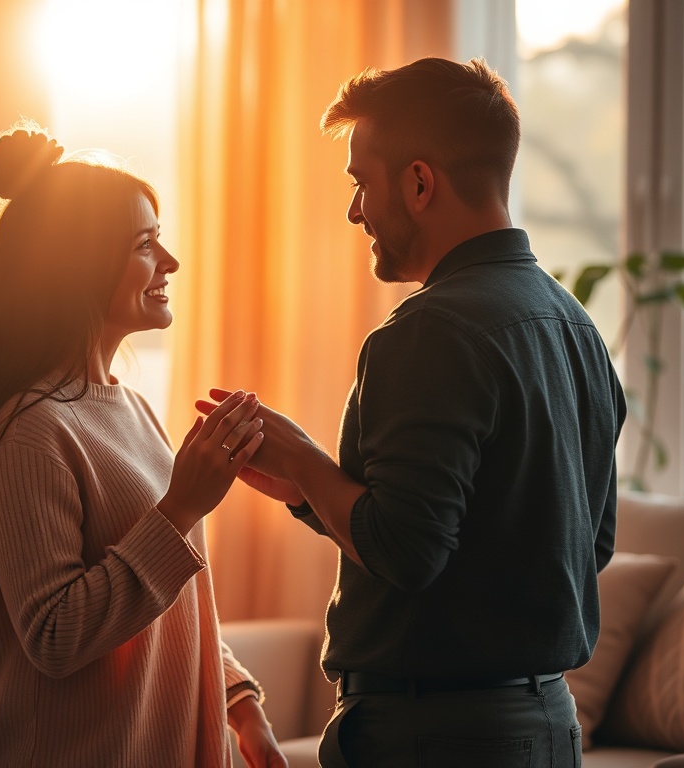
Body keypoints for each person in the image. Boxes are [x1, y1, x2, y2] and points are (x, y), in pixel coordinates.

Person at [199, 57, 627, 766]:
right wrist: (313, 494)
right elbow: (589, 543)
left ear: (420, 182)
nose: (354, 210)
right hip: (548, 726)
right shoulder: (574, 325)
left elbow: (406, 548)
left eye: (361, 182)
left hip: (433, 737)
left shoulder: (427, 332)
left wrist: (305, 460)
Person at [0, 122, 287, 768]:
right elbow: (54, 634)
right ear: (78, 266)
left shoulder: (131, 409)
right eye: (145, 244)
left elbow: (172, 601)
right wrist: (182, 509)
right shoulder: (27, 430)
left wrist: (242, 709)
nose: (170, 263)